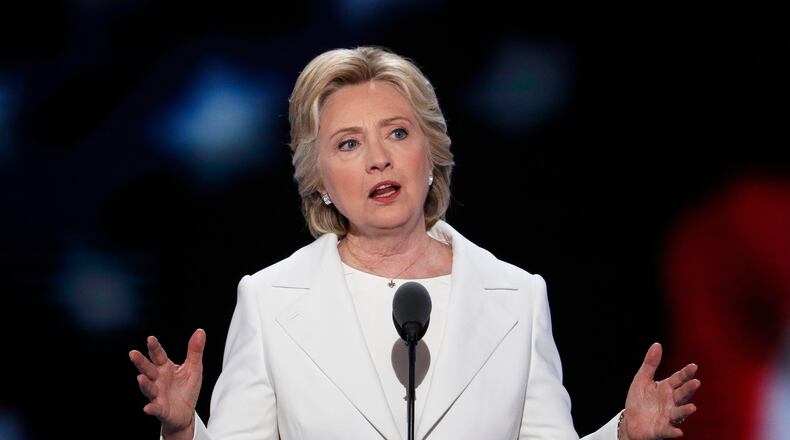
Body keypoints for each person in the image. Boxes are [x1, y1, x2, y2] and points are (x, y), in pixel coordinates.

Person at [129, 46, 701, 440]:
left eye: (397, 133)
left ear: (431, 154)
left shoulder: (516, 296)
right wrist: (181, 430)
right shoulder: (271, 298)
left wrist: (625, 433)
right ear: (320, 182)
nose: (378, 157)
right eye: (348, 144)